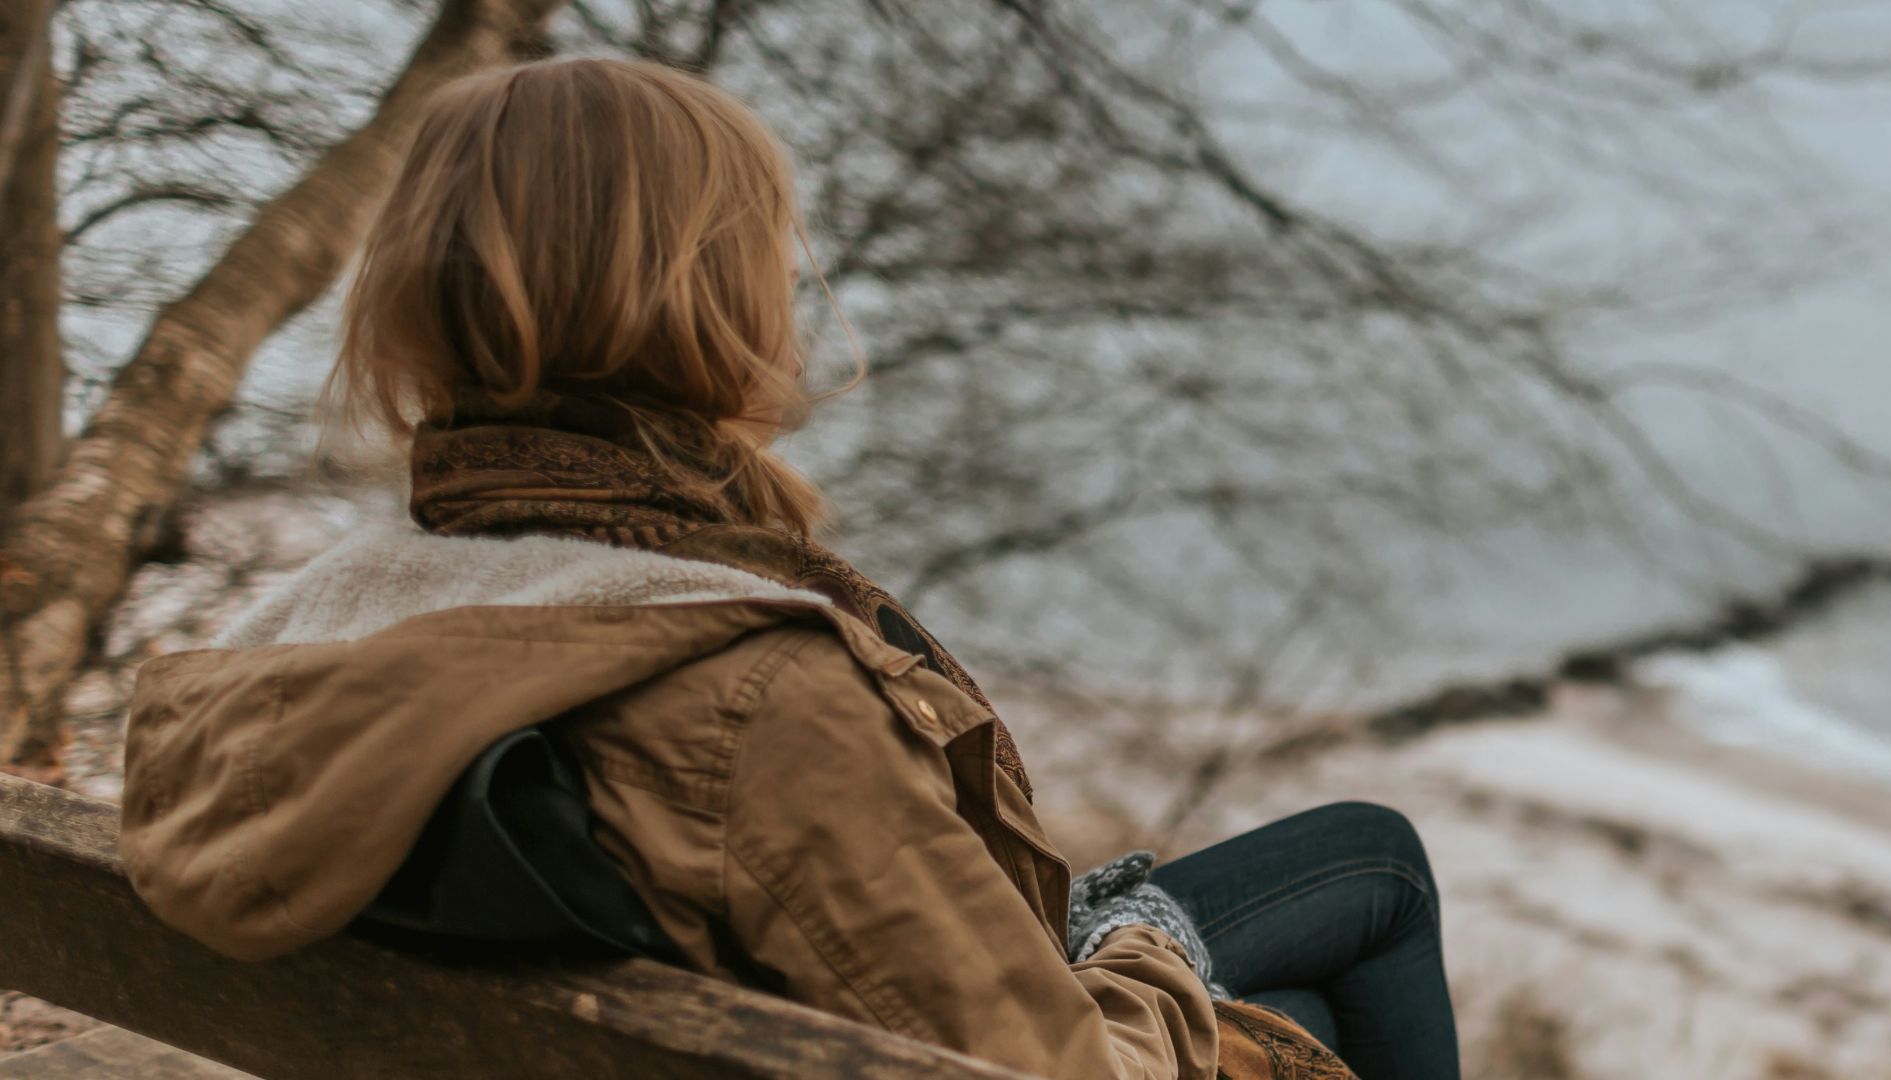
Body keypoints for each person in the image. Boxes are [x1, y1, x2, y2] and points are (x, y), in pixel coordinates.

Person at [117, 57, 1458, 1080]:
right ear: (710, 298)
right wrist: (1149, 944)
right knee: (1357, 915)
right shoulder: (750, 698)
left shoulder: (302, 627)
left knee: (1361, 867)